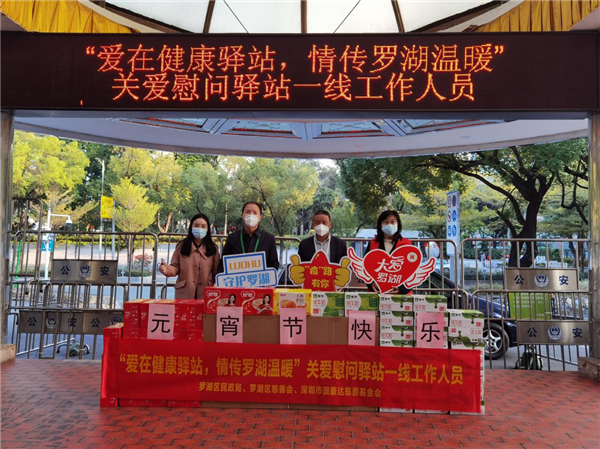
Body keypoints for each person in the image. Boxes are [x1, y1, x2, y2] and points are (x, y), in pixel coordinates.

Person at [159, 213, 219, 300]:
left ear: (207, 229)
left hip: (206, 293)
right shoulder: (182, 246)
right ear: (191, 227)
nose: (199, 229)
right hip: (185, 292)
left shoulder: (213, 248)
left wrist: (217, 284)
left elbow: (217, 272)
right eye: (196, 226)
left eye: (203, 226)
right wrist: (166, 269)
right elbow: (175, 267)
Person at [218, 201, 279, 272]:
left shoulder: (269, 239)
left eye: (255, 213)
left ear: (260, 217)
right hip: (238, 278)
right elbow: (223, 264)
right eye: (247, 212)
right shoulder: (232, 238)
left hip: (260, 278)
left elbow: (273, 265)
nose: (251, 215)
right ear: (242, 215)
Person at [365, 210, 413, 294]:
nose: (389, 225)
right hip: (377, 292)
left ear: (398, 224)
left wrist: (401, 289)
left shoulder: (406, 244)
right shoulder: (373, 244)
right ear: (380, 224)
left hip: (400, 295)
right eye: (386, 222)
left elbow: (412, 269)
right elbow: (365, 266)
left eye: (393, 222)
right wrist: (371, 283)